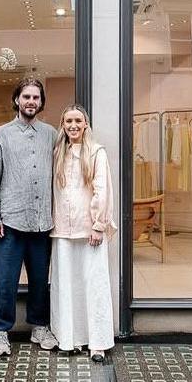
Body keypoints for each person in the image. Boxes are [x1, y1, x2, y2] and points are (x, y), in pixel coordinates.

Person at [0, 78, 59, 356]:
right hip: (9, 222)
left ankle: (39, 327)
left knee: (41, 279)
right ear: (17, 100)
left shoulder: (52, 134)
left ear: (41, 102)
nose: (31, 102)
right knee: (3, 280)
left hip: (41, 222)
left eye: (36, 98)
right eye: (26, 96)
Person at [49, 104, 117, 362]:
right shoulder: (57, 153)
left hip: (89, 230)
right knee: (66, 286)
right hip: (62, 230)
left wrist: (99, 225)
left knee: (94, 285)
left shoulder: (96, 152)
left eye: (78, 120)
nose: (73, 125)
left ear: (85, 124)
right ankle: (69, 338)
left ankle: (97, 342)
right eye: (68, 121)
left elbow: (103, 190)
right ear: (63, 124)